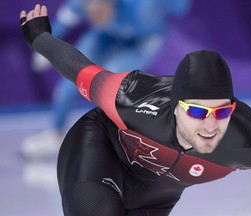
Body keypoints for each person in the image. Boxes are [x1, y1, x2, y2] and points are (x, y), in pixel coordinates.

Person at [20, 4, 251, 216]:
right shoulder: (130, 96)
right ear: (175, 107)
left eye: (222, 113)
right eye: (198, 112)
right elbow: (80, 70)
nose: (211, 126)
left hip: (156, 196)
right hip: (102, 148)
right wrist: (41, 38)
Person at [21, 0, 193, 159]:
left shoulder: (143, 7)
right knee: (68, 82)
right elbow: (63, 23)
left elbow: (181, 8)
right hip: (105, 34)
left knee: (112, 84)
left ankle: (120, 139)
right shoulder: (80, 3)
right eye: (92, 13)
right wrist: (43, 48)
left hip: (143, 39)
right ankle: (55, 133)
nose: (96, 17)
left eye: (100, 11)